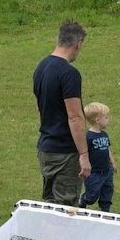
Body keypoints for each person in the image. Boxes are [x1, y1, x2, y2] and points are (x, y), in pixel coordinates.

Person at [33, 20, 90, 205]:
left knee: (49, 205)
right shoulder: (68, 73)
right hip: (65, 152)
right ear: (78, 44)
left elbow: (40, 108)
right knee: (66, 207)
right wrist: (83, 154)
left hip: (46, 148)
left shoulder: (40, 67)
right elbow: (74, 116)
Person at [81, 102, 116, 211]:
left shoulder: (104, 134)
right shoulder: (87, 137)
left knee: (108, 191)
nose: (108, 119)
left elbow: (107, 149)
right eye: (106, 117)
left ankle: (106, 211)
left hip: (107, 170)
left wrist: (113, 162)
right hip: (94, 173)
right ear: (97, 120)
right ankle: (82, 200)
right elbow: (83, 153)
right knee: (92, 196)